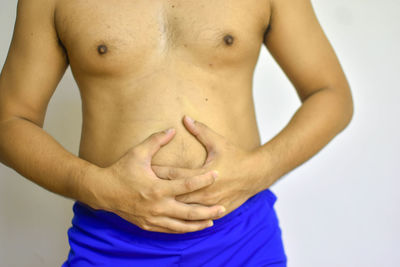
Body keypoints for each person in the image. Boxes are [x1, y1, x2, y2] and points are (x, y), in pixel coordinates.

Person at [0, 0, 353, 266]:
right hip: (112, 243)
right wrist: (98, 187)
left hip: (240, 238)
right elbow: (9, 122)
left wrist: (257, 171)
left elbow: (331, 94)